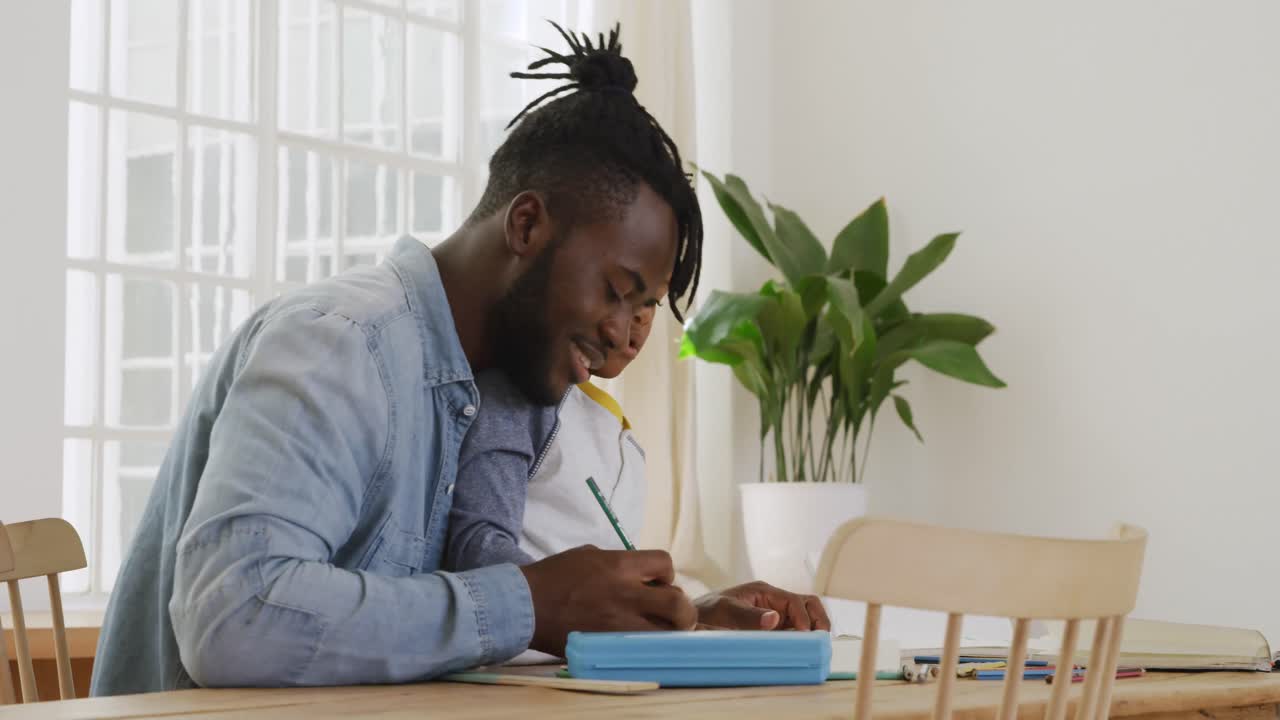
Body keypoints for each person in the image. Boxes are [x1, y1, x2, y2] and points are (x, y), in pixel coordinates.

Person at [90, 23, 819, 696]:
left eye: (645, 310)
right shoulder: (341, 344)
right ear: (527, 225)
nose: (623, 335)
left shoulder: (488, 393)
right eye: (617, 291)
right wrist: (529, 603)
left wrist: (676, 615)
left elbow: (424, 621)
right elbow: (234, 621)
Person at [447, 301, 832, 633]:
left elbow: (600, 604)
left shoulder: (606, 422)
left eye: (651, 304)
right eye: (622, 293)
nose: (636, 326)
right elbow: (477, 555)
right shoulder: (521, 395)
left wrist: (695, 613)